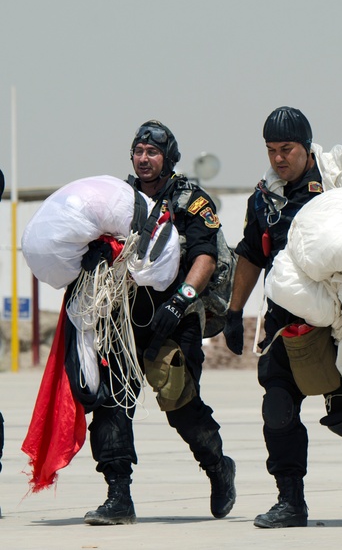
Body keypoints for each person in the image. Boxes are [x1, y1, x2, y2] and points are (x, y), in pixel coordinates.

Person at [224, 106, 342, 529]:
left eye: (286, 149)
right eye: (271, 150)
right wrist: (234, 312)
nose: (278, 159)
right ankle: (290, 502)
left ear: (306, 147)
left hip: (339, 318)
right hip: (285, 320)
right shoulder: (264, 197)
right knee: (278, 408)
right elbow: (253, 252)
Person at [81, 121, 236, 525]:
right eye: (139, 150)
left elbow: (206, 256)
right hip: (123, 319)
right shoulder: (119, 199)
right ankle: (118, 496)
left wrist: (181, 302)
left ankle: (218, 467)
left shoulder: (190, 200)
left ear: (168, 159)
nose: (144, 158)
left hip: (175, 317)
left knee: (179, 403)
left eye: (152, 152)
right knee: (112, 403)